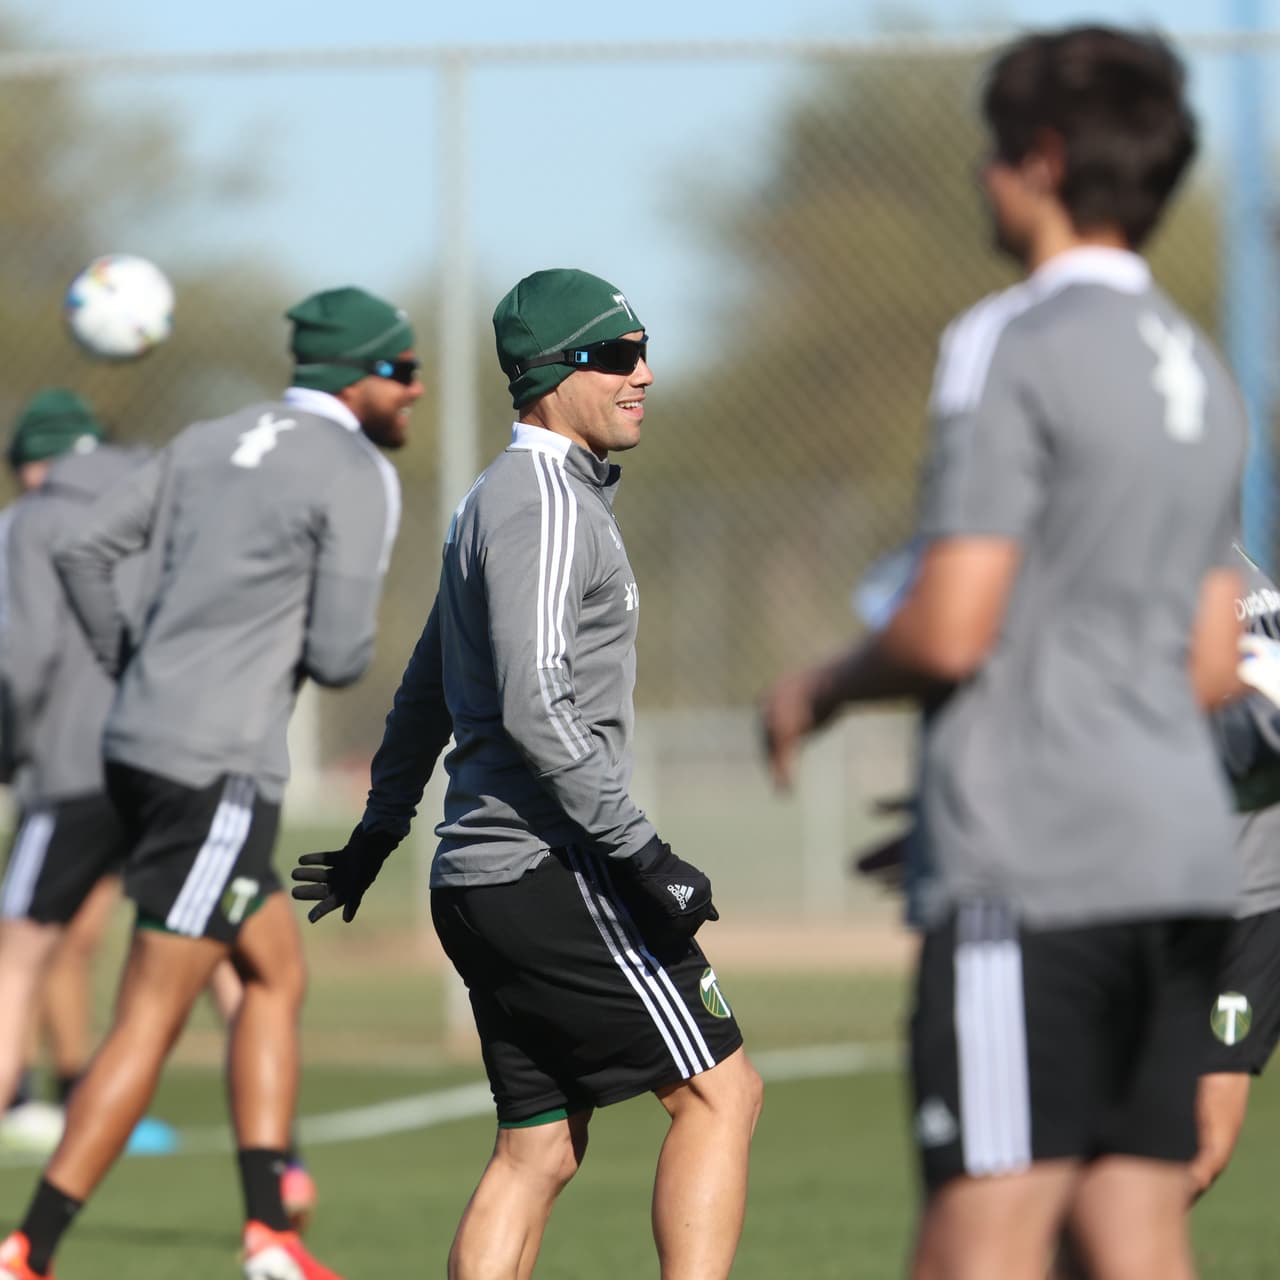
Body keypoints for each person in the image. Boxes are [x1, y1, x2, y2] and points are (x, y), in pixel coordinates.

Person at [761, 26, 1246, 1280]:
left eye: (990, 152)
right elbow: (1204, 664)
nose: (982, 177)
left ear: (1037, 160)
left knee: (985, 1222)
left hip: (1035, 865)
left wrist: (817, 686)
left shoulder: (1008, 338)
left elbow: (950, 620)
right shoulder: (1197, 369)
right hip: (1182, 863)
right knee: (1129, 1227)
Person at [292, 267, 763, 1280]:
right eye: (615, 356)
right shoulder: (543, 500)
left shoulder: (497, 501)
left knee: (537, 1147)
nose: (643, 373)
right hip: (550, 867)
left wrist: (380, 834)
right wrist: (641, 853)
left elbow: (423, 686)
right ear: (552, 374)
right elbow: (534, 700)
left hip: (481, 879)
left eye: (643, 349)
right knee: (721, 1091)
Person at [0, 285, 421, 1280]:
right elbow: (342, 651)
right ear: (358, 376)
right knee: (150, 1010)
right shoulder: (353, 469)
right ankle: (29, 1247)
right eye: (401, 374)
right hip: (216, 770)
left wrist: (134, 653)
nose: (410, 393)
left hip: (136, 745)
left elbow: (85, 547)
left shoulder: (205, 437)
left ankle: (269, 1230)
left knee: (275, 973)